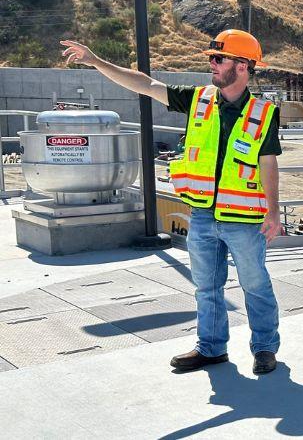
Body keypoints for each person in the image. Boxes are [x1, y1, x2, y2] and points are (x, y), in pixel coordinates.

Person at [60, 30, 284, 376]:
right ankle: (211, 349)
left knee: (255, 285)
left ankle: (265, 347)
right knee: (207, 286)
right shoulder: (198, 99)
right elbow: (146, 85)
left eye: (218, 58)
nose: (211, 64)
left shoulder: (264, 113)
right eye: (211, 57)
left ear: (241, 66)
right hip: (203, 215)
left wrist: (273, 212)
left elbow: (268, 162)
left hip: (243, 217)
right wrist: (95, 61)